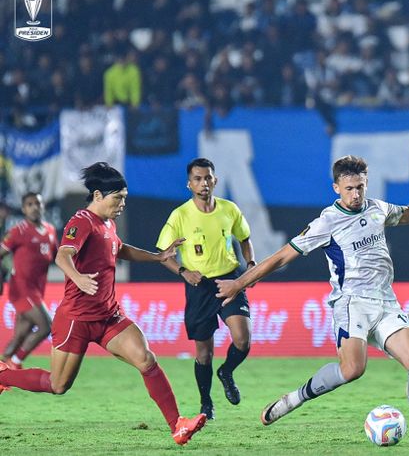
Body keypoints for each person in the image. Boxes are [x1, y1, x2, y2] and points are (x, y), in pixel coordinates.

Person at [216, 155, 409, 447]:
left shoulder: (377, 208)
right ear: (336, 187)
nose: (356, 194)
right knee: (353, 369)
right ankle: (294, 399)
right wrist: (239, 283)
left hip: (386, 301)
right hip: (352, 304)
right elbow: (282, 256)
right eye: (349, 188)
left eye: (360, 186)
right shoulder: (328, 221)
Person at [0, 163, 206, 446]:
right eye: (117, 198)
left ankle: (178, 425)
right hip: (76, 320)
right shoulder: (81, 221)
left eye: (124, 198)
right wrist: (78, 279)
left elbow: (119, 249)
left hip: (109, 316)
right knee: (58, 385)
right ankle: (5, 376)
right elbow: (63, 255)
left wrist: (157, 257)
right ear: (98, 194)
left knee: (146, 359)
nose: (122, 204)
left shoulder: (107, 223)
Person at [156, 157, 256, 420]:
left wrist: (251, 264)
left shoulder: (229, 209)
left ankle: (227, 372)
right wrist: (183, 271)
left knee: (243, 340)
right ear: (189, 184)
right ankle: (206, 403)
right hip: (199, 286)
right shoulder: (180, 215)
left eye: (207, 178)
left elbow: (244, 238)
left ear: (215, 180)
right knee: (204, 352)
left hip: (229, 280)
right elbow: (164, 253)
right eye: (197, 179)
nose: (203, 183)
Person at [0, 193, 57, 369]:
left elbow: (57, 256)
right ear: (24, 209)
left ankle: (3, 367)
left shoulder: (50, 230)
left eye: (37, 203)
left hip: (37, 290)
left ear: (43, 207)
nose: (34, 207)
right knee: (46, 326)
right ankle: (15, 364)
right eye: (29, 204)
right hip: (22, 290)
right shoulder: (18, 231)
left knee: (19, 337)